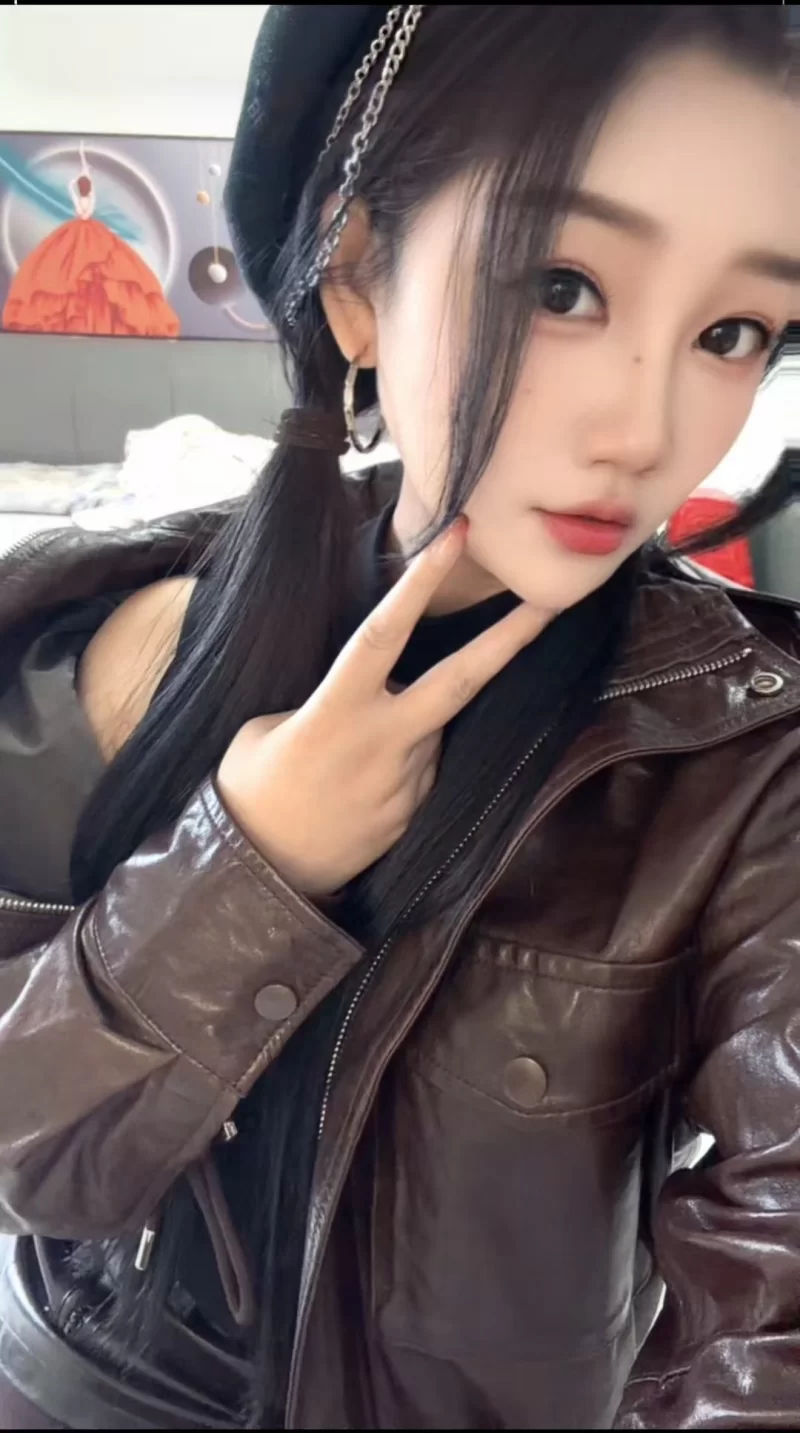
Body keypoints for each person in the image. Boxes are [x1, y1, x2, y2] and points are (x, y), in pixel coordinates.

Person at [0, 4, 799, 1428]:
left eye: (732, 331)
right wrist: (245, 864)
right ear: (359, 278)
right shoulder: (108, 638)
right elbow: (25, 1155)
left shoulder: (743, 762)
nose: (647, 430)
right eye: (563, 286)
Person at [2, 140, 180, 338]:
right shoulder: (90, 198)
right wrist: (84, 168)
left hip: (81, 229)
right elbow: (87, 196)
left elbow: (78, 201)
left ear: (81, 189)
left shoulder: (80, 199)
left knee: (75, 268)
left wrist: (78, 175)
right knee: (92, 268)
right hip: (88, 229)